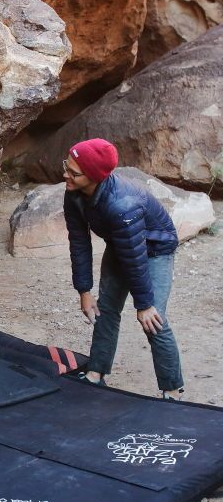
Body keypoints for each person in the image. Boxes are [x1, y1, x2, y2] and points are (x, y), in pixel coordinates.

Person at [62, 138, 184, 399]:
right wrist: (84, 290)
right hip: (123, 245)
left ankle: (172, 392)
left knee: (154, 320)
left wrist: (144, 304)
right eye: (67, 166)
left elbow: (135, 256)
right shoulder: (74, 193)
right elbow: (79, 241)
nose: (65, 175)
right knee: (105, 309)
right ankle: (96, 374)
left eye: (73, 172)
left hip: (155, 249)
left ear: (94, 177)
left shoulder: (122, 204)